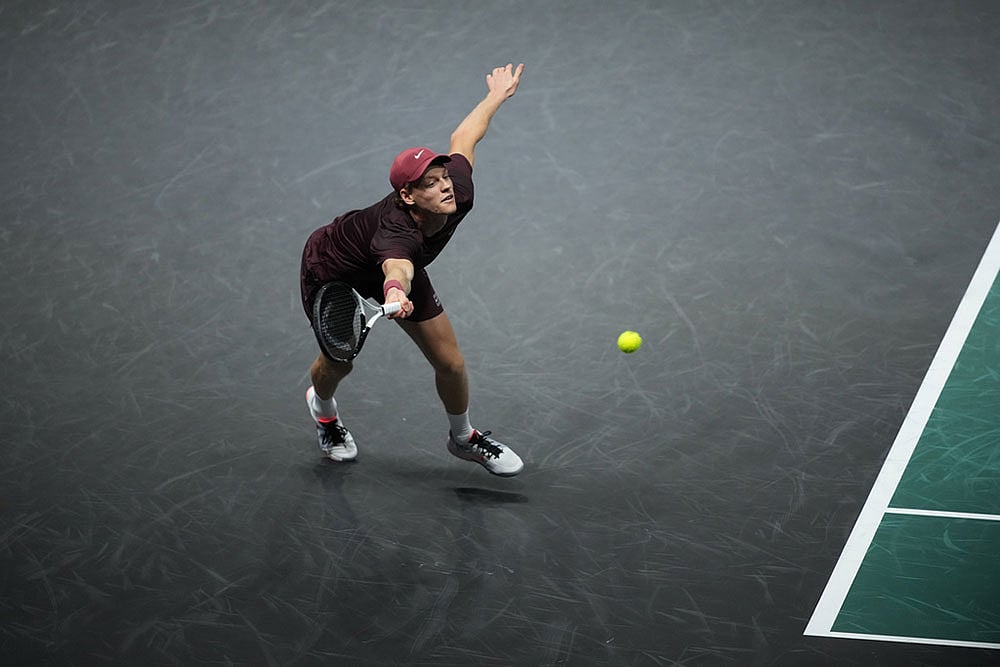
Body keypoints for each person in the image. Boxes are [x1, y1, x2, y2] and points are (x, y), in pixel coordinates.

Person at [299, 63, 526, 477]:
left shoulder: (458, 192)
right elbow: (398, 265)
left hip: (387, 263)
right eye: (431, 183)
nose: (445, 186)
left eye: (444, 177)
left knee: (451, 363)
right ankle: (324, 409)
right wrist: (393, 292)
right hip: (333, 265)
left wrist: (496, 95)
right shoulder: (395, 235)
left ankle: (463, 439)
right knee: (339, 363)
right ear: (407, 195)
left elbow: (464, 137)